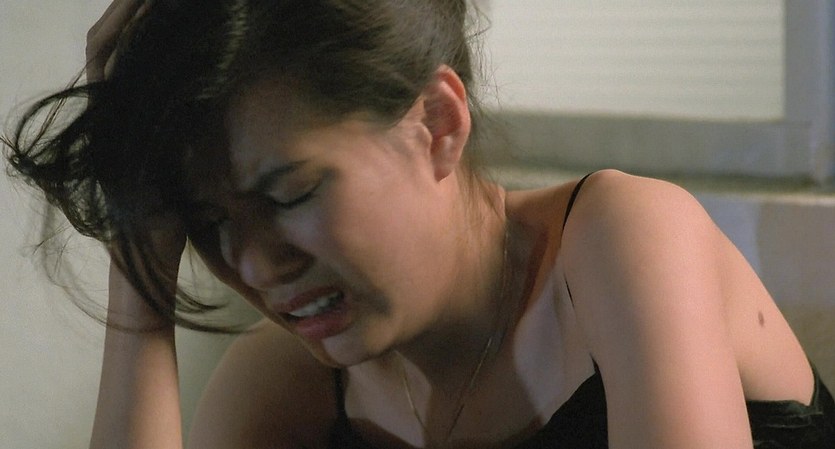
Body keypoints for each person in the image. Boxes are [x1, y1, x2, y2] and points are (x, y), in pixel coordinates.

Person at [4, 0, 834, 448]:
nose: (254, 264)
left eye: (290, 194)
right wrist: (138, 265)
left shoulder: (622, 236)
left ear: (437, 122)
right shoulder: (287, 379)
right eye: (207, 221)